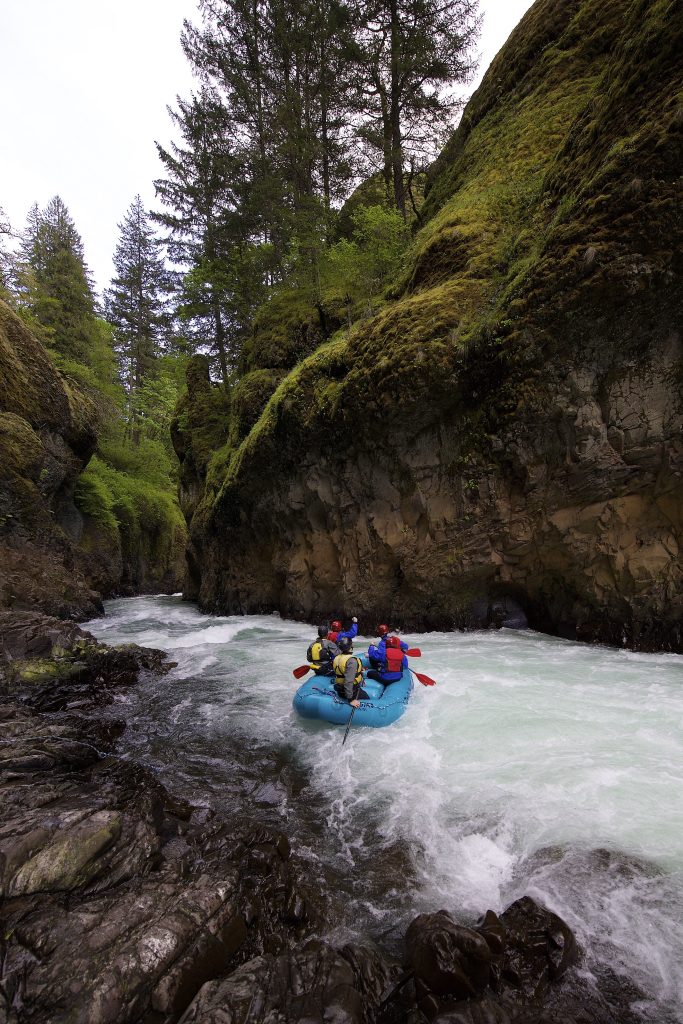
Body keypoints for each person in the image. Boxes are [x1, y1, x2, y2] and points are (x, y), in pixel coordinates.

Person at [332, 635, 368, 707]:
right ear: (350, 647)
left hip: (340, 690)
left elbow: (342, 670)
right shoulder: (351, 660)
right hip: (352, 691)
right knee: (367, 698)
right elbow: (348, 681)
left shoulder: (337, 658)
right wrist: (351, 699)